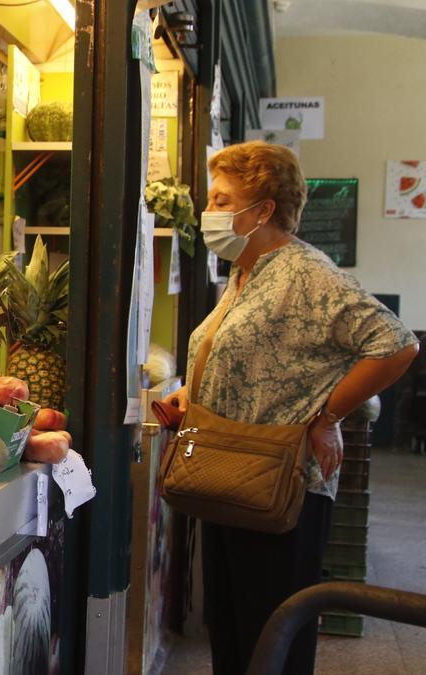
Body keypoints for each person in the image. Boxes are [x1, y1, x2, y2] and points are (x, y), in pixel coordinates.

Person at [165, 141, 419, 675]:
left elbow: (396, 343)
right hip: (228, 474)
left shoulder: (306, 273)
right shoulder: (244, 273)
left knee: (274, 631)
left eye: (221, 198)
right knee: (234, 627)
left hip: (280, 481)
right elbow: (255, 359)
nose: (210, 211)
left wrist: (327, 418)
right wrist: (194, 394)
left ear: (262, 210)